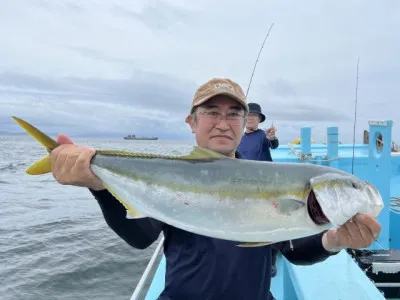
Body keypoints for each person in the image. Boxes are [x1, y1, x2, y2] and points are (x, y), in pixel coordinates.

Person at [50, 78, 381, 300]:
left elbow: (295, 249)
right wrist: (100, 186)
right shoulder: (172, 175)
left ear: (244, 123)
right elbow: (140, 237)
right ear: (191, 122)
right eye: (211, 112)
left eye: (235, 113)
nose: (224, 122)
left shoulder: (268, 177)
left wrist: (335, 239)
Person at [237, 102, 279, 277]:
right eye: (248, 115)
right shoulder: (238, 137)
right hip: (243, 188)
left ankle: (271, 261)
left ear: (259, 120)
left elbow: (273, 144)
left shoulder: (263, 136)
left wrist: (272, 137)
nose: (251, 118)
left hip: (265, 188)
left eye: (254, 116)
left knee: (269, 223)